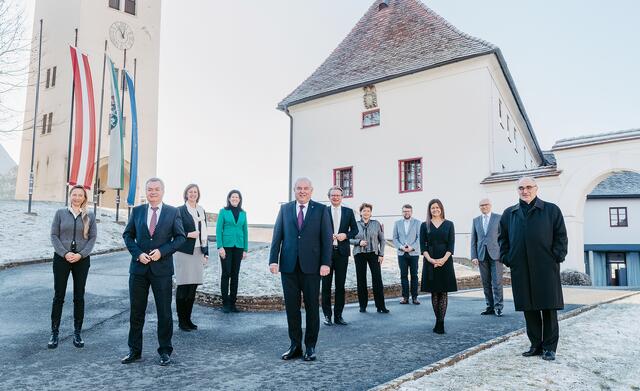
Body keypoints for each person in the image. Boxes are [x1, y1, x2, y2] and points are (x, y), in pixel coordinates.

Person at [498, 176, 567, 361]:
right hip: (521, 267)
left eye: (529, 187)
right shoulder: (509, 213)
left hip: (546, 266)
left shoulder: (551, 210)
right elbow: (502, 239)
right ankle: (535, 345)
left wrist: (556, 256)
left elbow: (561, 236)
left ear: (536, 188)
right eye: (521, 188)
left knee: (548, 307)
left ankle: (550, 347)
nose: (525, 191)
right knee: (529, 308)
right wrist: (507, 258)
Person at [121, 178, 186, 366]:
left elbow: (180, 237)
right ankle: (134, 351)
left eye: (156, 189)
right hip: (139, 270)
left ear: (163, 191)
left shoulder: (173, 212)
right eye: (150, 189)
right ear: (146, 192)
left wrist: (162, 252)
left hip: (162, 270)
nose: (153, 192)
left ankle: (165, 351)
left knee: (164, 312)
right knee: (136, 312)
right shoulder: (138, 211)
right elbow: (128, 235)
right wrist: (138, 254)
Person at [269, 177, 332, 362]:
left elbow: (326, 239)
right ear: (294, 190)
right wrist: (273, 260)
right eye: (299, 188)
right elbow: (277, 236)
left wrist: (325, 263)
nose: (302, 191)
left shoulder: (321, 210)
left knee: (312, 307)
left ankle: (310, 346)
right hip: (288, 267)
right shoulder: (285, 209)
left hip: (312, 268)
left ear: (311, 191)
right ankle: (295, 345)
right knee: (291, 308)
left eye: (306, 188)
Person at [48, 185, 97, 349]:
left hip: (81, 260)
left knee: (79, 296)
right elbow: (54, 235)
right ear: (70, 196)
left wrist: (80, 254)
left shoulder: (89, 215)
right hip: (62, 259)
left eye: (80, 195)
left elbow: (92, 238)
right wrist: (64, 253)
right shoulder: (60, 213)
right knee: (59, 296)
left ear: (84, 198)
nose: (76, 197)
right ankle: (54, 333)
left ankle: (77, 333)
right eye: (74, 194)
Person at [321, 186, 358, 326]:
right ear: (329, 197)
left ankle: (338, 316)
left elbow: (355, 230)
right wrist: (325, 236)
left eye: (338, 195)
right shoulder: (323, 211)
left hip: (342, 253)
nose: (335, 197)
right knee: (325, 286)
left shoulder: (348, 212)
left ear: (342, 197)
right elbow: (317, 229)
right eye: (333, 195)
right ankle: (327, 316)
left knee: (340, 286)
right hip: (326, 254)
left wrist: (346, 235)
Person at [175, 184, 209, 331]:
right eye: (190, 192)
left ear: (198, 194)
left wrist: (205, 252)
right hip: (183, 251)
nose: (193, 194)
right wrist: (189, 234)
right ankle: (181, 321)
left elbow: (205, 232)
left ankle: (188, 319)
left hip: (198, 251)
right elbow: (174, 231)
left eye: (195, 192)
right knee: (183, 286)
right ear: (186, 194)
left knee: (193, 287)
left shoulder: (201, 211)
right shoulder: (180, 210)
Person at [420, 199, 457, 334]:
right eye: (432, 208)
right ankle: (437, 320)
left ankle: (441, 322)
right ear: (429, 210)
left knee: (443, 292)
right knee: (434, 292)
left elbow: (451, 245)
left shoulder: (449, 224)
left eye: (437, 207)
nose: (435, 210)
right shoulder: (424, 225)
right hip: (430, 260)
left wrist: (443, 260)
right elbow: (422, 246)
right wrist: (431, 260)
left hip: (445, 260)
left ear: (441, 208)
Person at [350, 203, 389, 314]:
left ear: (371, 213)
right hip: (359, 254)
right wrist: (358, 242)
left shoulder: (376, 224)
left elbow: (382, 240)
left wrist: (381, 254)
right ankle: (363, 306)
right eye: (364, 211)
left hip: (373, 254)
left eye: (368, 211)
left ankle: (381, 306)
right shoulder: (355, 224)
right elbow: (348, 239)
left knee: (377, 280)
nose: (366, 213)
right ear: (360, 212)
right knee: (361, 280)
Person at [216, 189, 249, 313]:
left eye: (237, 197)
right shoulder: (223, 212)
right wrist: (220, 247)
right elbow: (219, 229)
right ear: (229, 199)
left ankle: (232, 303)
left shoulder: (243, 213)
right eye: (233, 197)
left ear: (239, 199)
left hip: (239, 247)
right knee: (226, 274)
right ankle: (225, 303)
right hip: (226, 247)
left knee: (235, 275)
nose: (235, 199)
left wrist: (245, 249)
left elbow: (245, 231)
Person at [470, 198, 504, 316]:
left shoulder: (498, 218)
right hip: (481, 255)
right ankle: (489, 306)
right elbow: (473, 240)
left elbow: (503, 237)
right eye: (481, 205)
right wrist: (474, 256)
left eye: (485, 205)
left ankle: (498, 307)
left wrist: (503, 252)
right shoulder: (476, 220)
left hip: (496, 255)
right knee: (485, 283)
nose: (484, 207)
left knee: (497, 282)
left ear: (490, 205)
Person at [392, 204, 421, 305]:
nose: (406, 213)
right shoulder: (397, 223)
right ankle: (405, 297)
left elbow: (419, 238)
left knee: (414, 275)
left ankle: (415, 297)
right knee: (403, 275)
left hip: (414, 253)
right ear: (402, 212)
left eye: (408, 211)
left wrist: (412, 247)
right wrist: (401, 247)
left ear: (411, 212)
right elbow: (394, 238)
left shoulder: (418, 223)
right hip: (401, 253)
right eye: (404, 211)